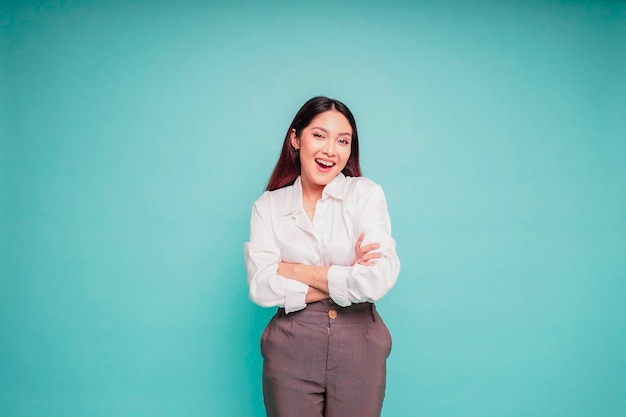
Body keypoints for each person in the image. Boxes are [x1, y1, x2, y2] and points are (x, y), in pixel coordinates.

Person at [244, 96, 400, 417]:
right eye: (319, 135)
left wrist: (291, 270)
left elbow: (377, 279)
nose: (331, 149)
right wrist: (346, 275)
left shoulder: (365, 195)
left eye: (343, 141)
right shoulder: (268, 207)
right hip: (290, 348)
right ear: (296, 138)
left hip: (361, 348)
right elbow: (261, 287)